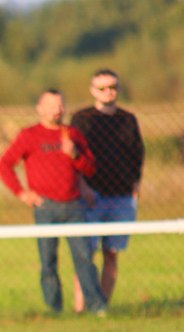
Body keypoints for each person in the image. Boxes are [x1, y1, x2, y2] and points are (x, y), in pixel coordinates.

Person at [0, 89, 107, 315]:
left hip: (74, 205)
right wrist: (22, 193)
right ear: (40, 109)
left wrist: (75, 155)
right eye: (52, 106)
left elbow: (91, 168)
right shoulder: (30, 135)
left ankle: (96, 307)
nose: (57, 111)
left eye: (60, 106)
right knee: (48, 260)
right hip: (44, 207)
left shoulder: (72, 134)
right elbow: (5, 164)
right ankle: (54, 309)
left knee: (84, 258)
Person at [71, 69, 145, 310]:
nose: (108, 92)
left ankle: (102, 306)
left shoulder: (128, 119)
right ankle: (81, 307)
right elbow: (74, 158)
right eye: (102, 88)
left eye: (112, 87)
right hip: (91, 195)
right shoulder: (82, 119)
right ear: (93, 91)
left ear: (118, 89)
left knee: (111, 253)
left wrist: (135, 184)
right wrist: (82, 187)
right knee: (85, 255)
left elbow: (137, 154)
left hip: (121, 196)